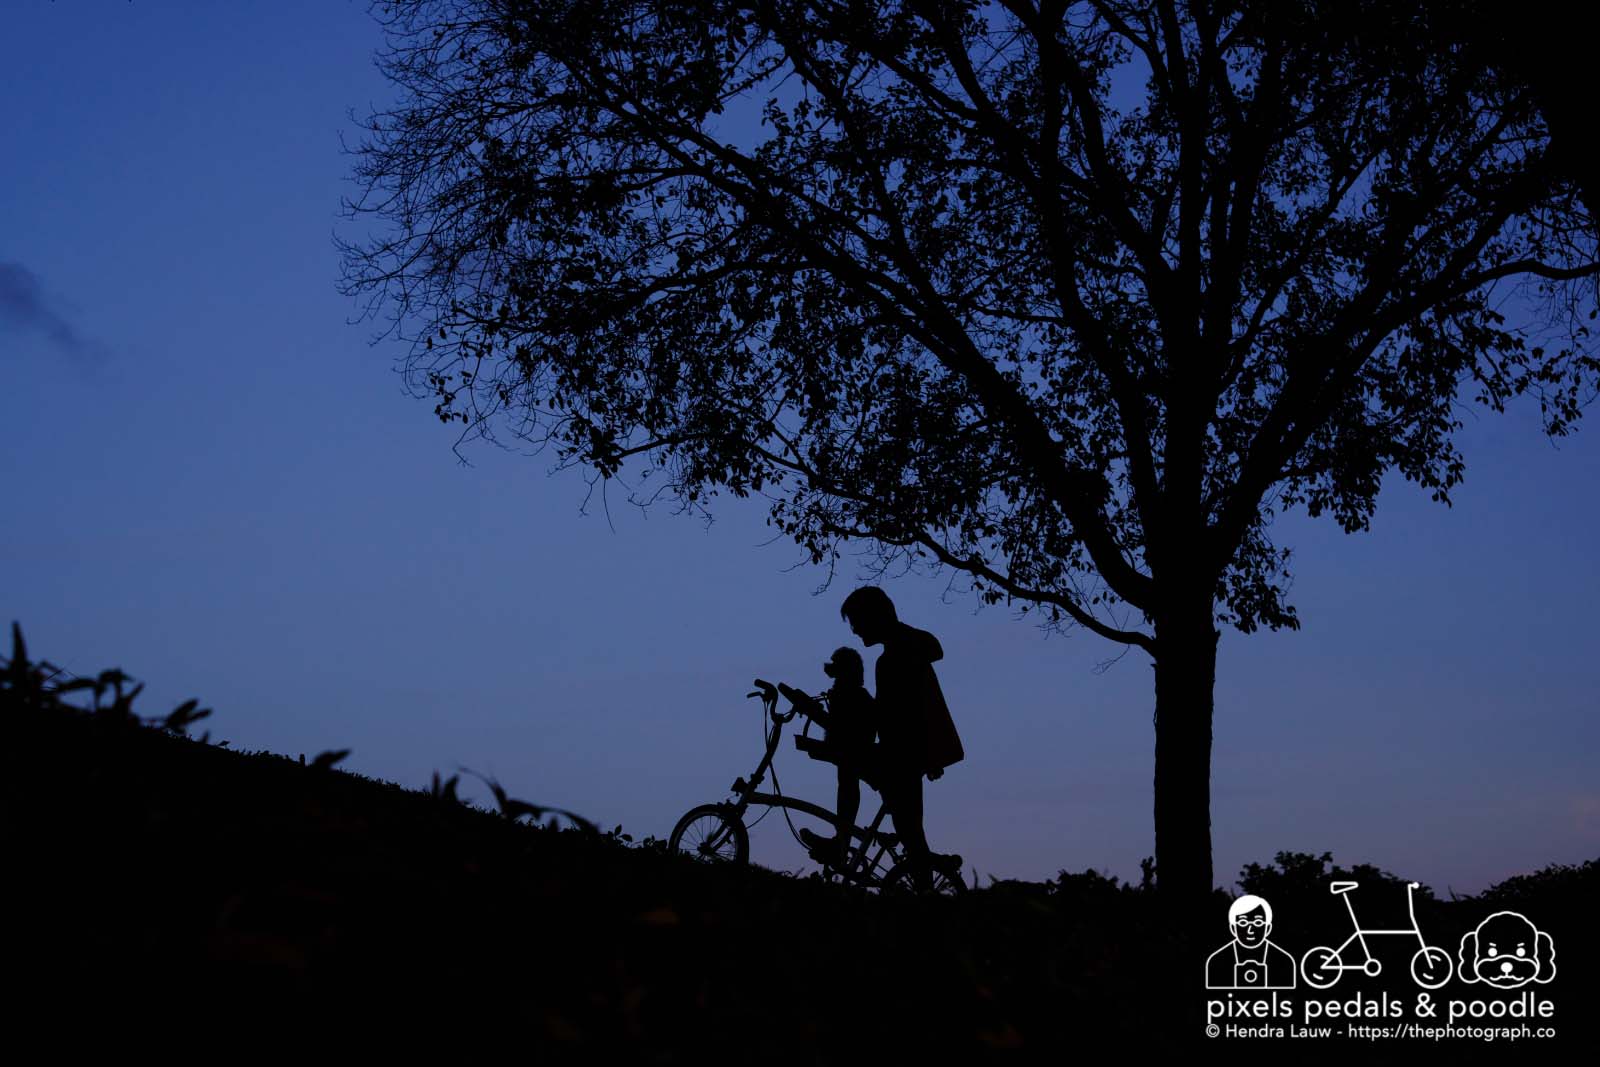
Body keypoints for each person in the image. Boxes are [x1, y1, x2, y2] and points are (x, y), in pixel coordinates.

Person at [838, 586, 964, 883]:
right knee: (909, 827)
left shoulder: (896, 657)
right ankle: (923, 877)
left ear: (873, 618)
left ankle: (841, 840)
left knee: (847, 766)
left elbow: (895, 713)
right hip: (908, 752)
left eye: (856, 621)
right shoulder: (903, 650)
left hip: (901, 755)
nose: (855, 630)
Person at [794, 647, 878, 868]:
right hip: (850, 752)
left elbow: (839, 728)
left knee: (847, 788)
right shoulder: (852, 694)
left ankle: (840, 845)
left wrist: (814, 711)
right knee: (847, 787)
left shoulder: (850, 695)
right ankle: (840, 842)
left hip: (853, 752)